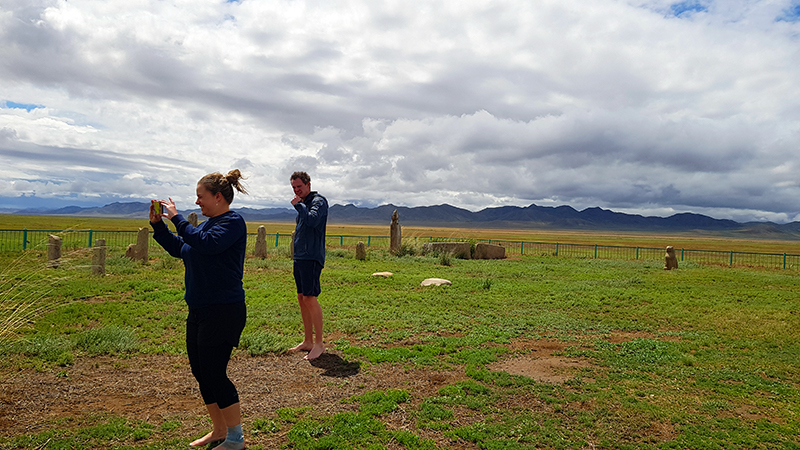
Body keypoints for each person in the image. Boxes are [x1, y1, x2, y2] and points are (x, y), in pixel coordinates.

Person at [149, 170, 249, 450]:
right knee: (201, 371)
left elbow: (207, 244)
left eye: (201, 197)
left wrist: (177, 219)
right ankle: (219, 431)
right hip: (199, 310)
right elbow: (182, 248)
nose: (197, 202)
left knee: (215, 373)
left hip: (223, 311)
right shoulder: (205, 226)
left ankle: (236, 438)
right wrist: (159, 226)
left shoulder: (232, 223)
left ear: (218, 197)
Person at [289, 171, 328, 360]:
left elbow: (312, 221)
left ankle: (319, 343)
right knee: (301, 297)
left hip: (311, 257)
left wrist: (299, 206)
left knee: (310, 298)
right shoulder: (305, 203)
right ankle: (308, 341)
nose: (297, 190)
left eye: (299, 187)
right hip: (300, 257)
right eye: (294, 188)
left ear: (308, 185)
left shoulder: (318, 202)